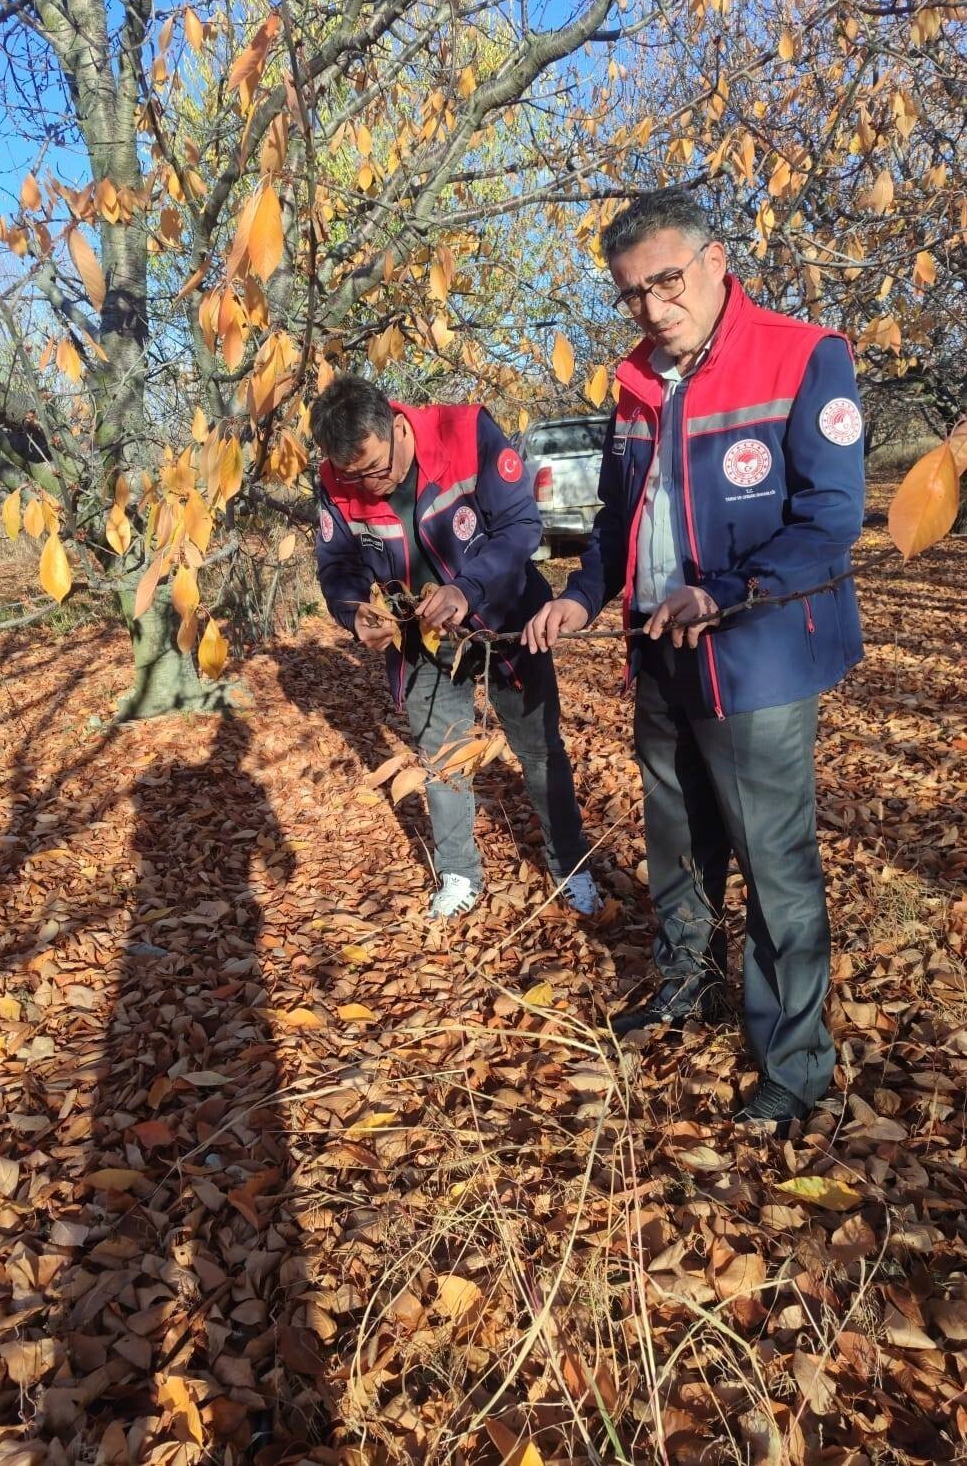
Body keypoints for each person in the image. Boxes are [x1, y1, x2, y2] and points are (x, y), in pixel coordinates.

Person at [523, 189, 864, 1134]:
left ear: (716, 262)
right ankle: (686, 984)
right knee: (675, 839)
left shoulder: (802, 356)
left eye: (666, 282)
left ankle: (794, 1061)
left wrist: (727, 590)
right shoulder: (635, 383)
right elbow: (615, 525)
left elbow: (830, 518)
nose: (652, 307)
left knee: (772, 858)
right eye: (631, 294)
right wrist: (575, 596)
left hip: (755, 657)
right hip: (656, 652)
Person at [312, 375, 604, 920]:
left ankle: (571, 862)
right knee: (443, 758)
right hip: (419, 641)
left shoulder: (467, 432)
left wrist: (467, 590)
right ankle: (459, 873)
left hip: (509, 623)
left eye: (378, 468)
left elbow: (520, 526)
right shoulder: (334, 478)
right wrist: (354, 614)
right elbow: (337, 567)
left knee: (539, 749)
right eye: (355, 476)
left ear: (398, 427)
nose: (371, 486)